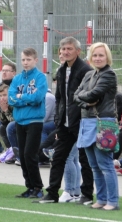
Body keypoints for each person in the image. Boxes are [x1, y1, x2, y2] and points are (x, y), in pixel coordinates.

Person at [35, 36, 93, 204]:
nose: (66, 52)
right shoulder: (61, 70)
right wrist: (59, 120)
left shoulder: (84, 70)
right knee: (59, 157)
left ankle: (87, 195)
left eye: (69, 49)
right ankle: (52, 193)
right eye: (63, 49)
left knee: (84, 158)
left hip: (81, 122)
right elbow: (60, 98)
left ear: (78, 51)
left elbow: (85, 97)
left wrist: (79, 117)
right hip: (64, 125)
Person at [74, 42, 119, 210]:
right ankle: (101, 199)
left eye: (101, 55)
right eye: (95, 55)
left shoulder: (109, 75)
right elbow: (76, 96)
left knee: (106, 165)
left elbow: (93, 94)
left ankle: (112, 201)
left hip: (104, 123)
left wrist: (83, 97)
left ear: (107, 57)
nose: (98, 58)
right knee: (94, 166)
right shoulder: (88, 74)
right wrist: (86, 102)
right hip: (87, 122)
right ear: (90, 57)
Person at [8, 47, 47, 199]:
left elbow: (37, 98)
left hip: (34, 121)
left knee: (30, 154)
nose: (25, 62)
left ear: (35, 60)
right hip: (20, 120)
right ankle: (29, 187)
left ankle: (38, 187)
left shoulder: (40, 77)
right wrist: (24, 98)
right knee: (22, 157)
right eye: (23, 59)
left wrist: (20, 97)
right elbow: (11, 98)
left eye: (28, 60)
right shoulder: (17, 79)